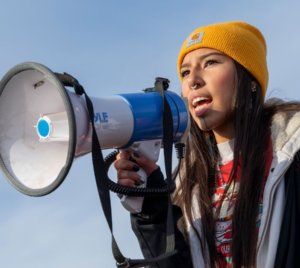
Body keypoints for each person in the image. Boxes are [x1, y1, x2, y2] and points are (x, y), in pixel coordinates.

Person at [114, 21, 300, 268]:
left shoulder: (292, 152)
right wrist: (151, 209)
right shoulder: (184, 183)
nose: (193, 81)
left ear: (250, 78)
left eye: (210, 62)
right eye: (185, 72)